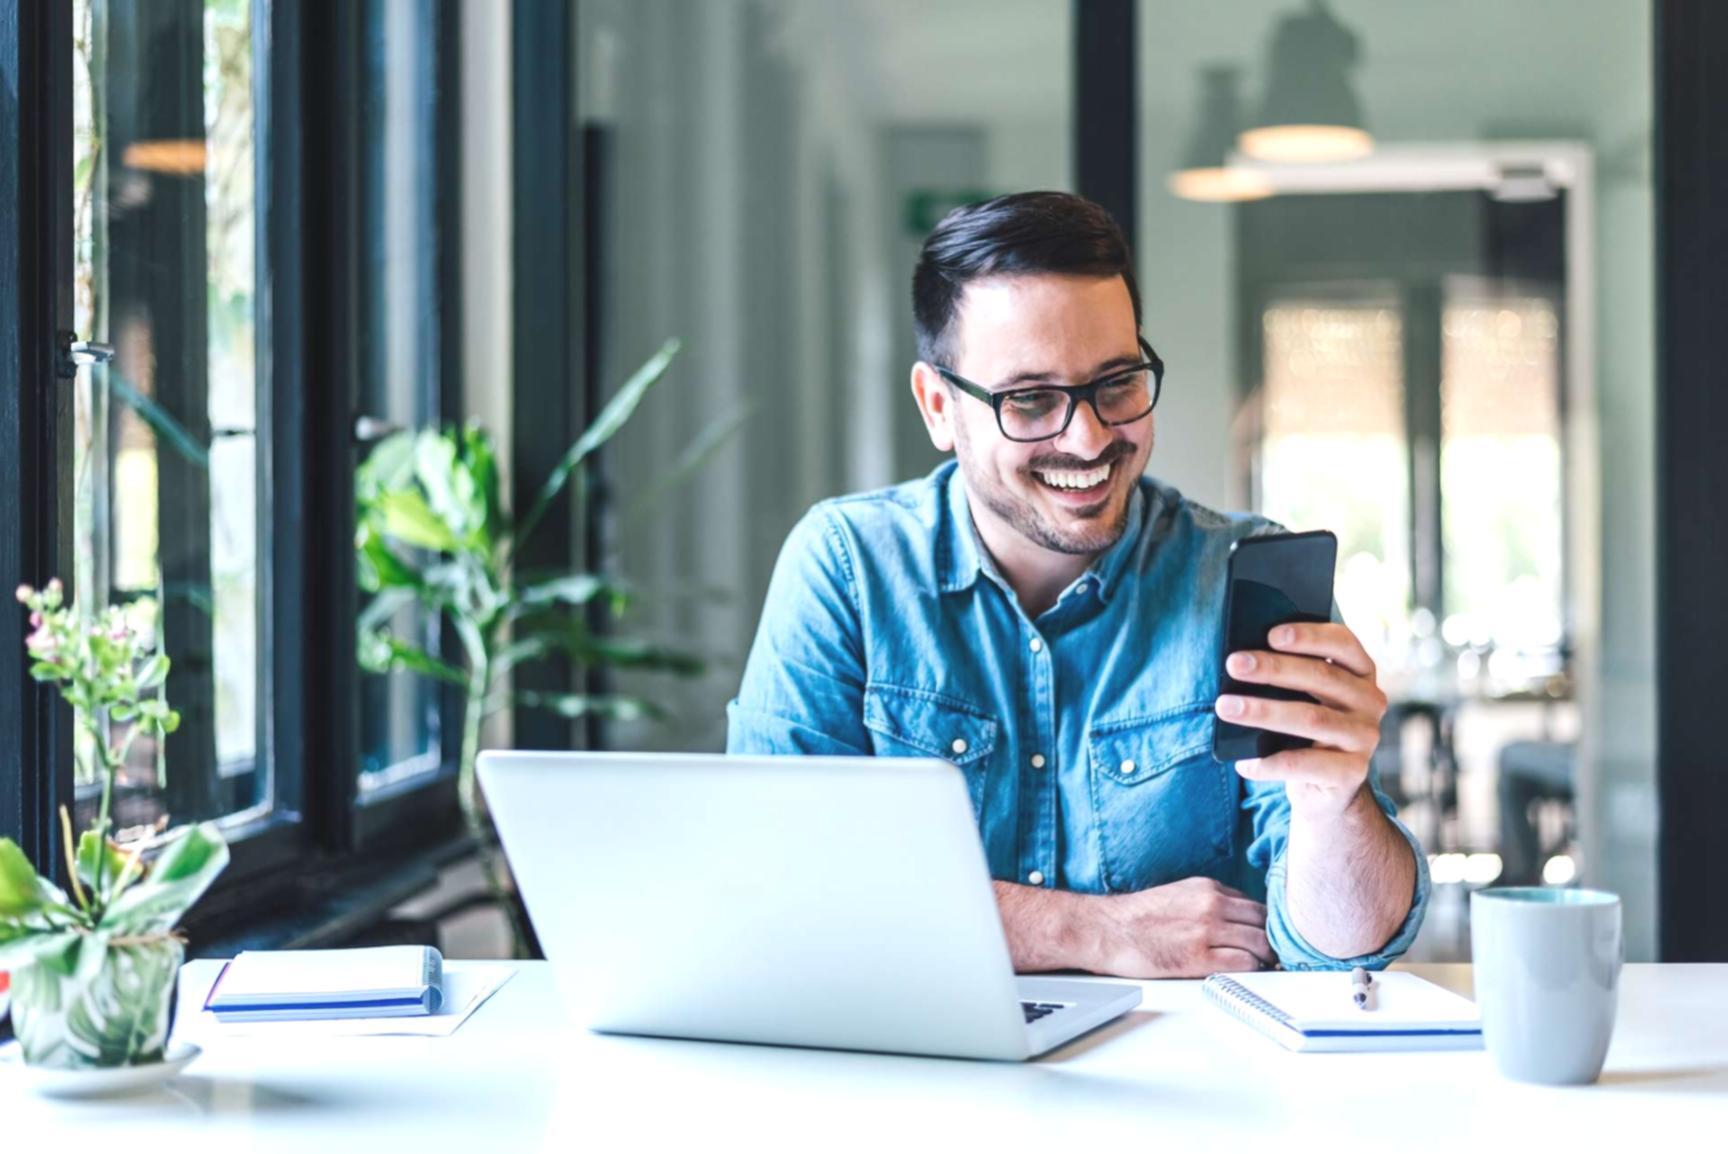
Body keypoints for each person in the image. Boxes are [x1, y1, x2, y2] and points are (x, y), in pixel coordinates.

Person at [726, 191, 1428, 977]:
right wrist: (1090, 931)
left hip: (1196, 1087)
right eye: (1030, 400)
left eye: (1117, 383)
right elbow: (778, 887)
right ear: (937, 407)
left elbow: (1347, 952)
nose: (1088, 438)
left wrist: (1337, 800)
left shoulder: (1239, 577)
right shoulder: (849, 567)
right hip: (919, 1078)